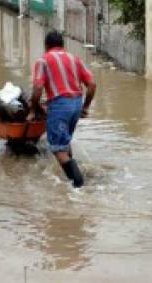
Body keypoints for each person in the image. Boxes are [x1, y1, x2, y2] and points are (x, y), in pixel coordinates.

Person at [28, 30, 96, 188]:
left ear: (46, 46)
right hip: (76, 104)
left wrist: (33, 109)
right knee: (65, 141)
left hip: (59, 106)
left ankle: (78, 185)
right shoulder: (75, 59)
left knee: (58, 148)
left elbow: (38, 88)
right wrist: (85, 107)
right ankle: (74, 173)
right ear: (62, 45)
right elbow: (92, 85)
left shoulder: (43, 61)